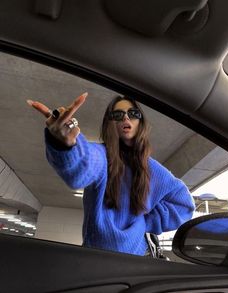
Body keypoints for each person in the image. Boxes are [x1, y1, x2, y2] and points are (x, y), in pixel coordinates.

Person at [27, 92, 195, 256]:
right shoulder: (102, 155)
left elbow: (184, 205)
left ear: (140, 122)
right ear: (110, 123)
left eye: (133, 113)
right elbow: (82, 167)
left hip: (138, 258)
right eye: (118, 114)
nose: (126, 118)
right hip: (96, 260)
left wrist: (144, 222)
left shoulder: (153, 169)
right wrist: (66, 144)